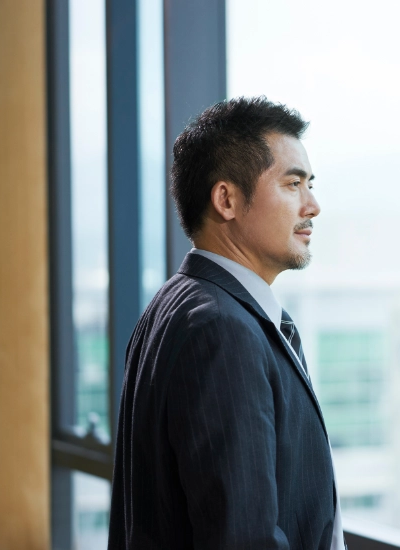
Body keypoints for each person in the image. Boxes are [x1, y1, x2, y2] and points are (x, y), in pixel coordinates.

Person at [108, 97, 345, 549]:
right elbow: (241, 537)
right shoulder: (221, 329)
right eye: (293, 183)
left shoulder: (176, 303)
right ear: (227, 199)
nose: (312, 205)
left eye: (310, 184)